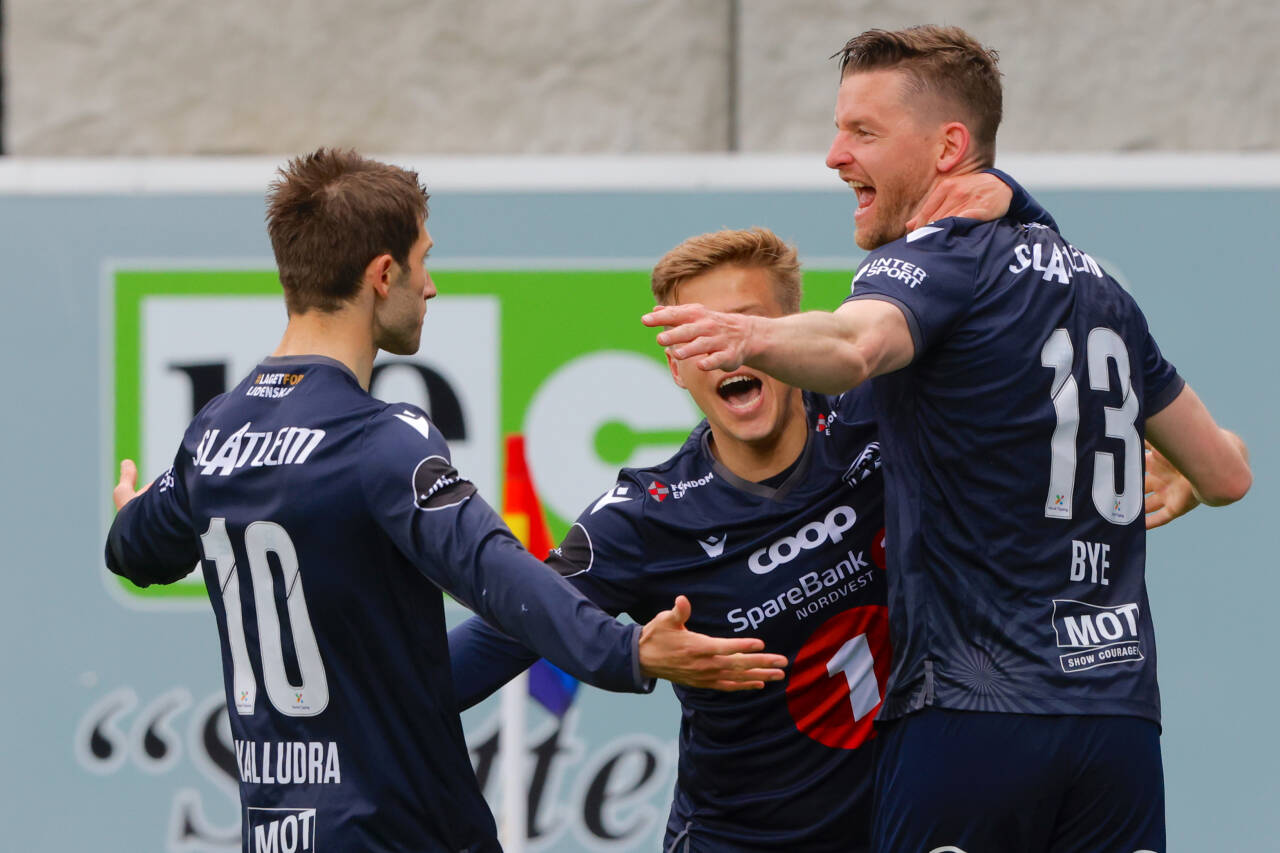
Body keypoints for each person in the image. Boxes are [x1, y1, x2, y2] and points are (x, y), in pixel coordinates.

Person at [644, 26, 1251, 853]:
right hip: (1117, 723)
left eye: (862, 132)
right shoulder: (1102, 282)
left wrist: (747, 336)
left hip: (973, 717)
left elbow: (853, 347)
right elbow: (1227, 472)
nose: (833, 155)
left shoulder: (932, 260)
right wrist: (1181, 473)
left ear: (948, 147)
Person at [103, 148, 791, 853]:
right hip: (401, 833)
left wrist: (132, 511)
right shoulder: (378, 439)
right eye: (422, 260)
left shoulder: (213, 433)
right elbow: (493, 569)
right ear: (382, 274)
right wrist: (628, 651)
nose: (429, 286)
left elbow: (134, 548)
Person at [451, 226, 1201, 850]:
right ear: (675, 364)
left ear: (791, 335)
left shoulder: (886, 416)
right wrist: (631, 654)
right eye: (696, 335)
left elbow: (1053, 430)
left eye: (744, 325)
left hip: (913, 818)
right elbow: (494, 645)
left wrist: (1187, 469)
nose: (725, 350)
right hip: (739, 840)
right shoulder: (645, 515)